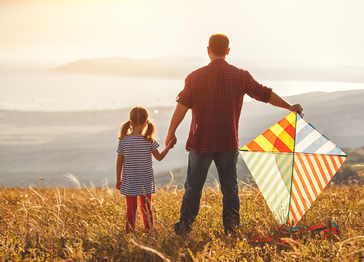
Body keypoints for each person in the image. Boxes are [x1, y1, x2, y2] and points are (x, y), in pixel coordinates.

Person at [165, 33, 303, 234]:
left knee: (193, 188)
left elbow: (181, 107)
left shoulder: (194, 77)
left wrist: (171, 132)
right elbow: (265, 94)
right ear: (228, 51)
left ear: (208, 50)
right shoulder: (241, 76)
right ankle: (231, 228)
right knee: (230, 188)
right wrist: (289, 106)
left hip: (201, 141)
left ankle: (185, 228)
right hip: (228, 142)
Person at [116, 106, 176, 233]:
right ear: (146, 124)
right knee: (146, 208)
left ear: (130, 123)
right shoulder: (149, 140)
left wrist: (118, 179)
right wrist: (169, 147)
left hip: (129, 181)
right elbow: (159, 157)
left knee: (131, 209)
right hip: (145, 181)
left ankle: (129, 233)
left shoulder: (123, 141)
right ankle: (148, 232)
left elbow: (119, 162)